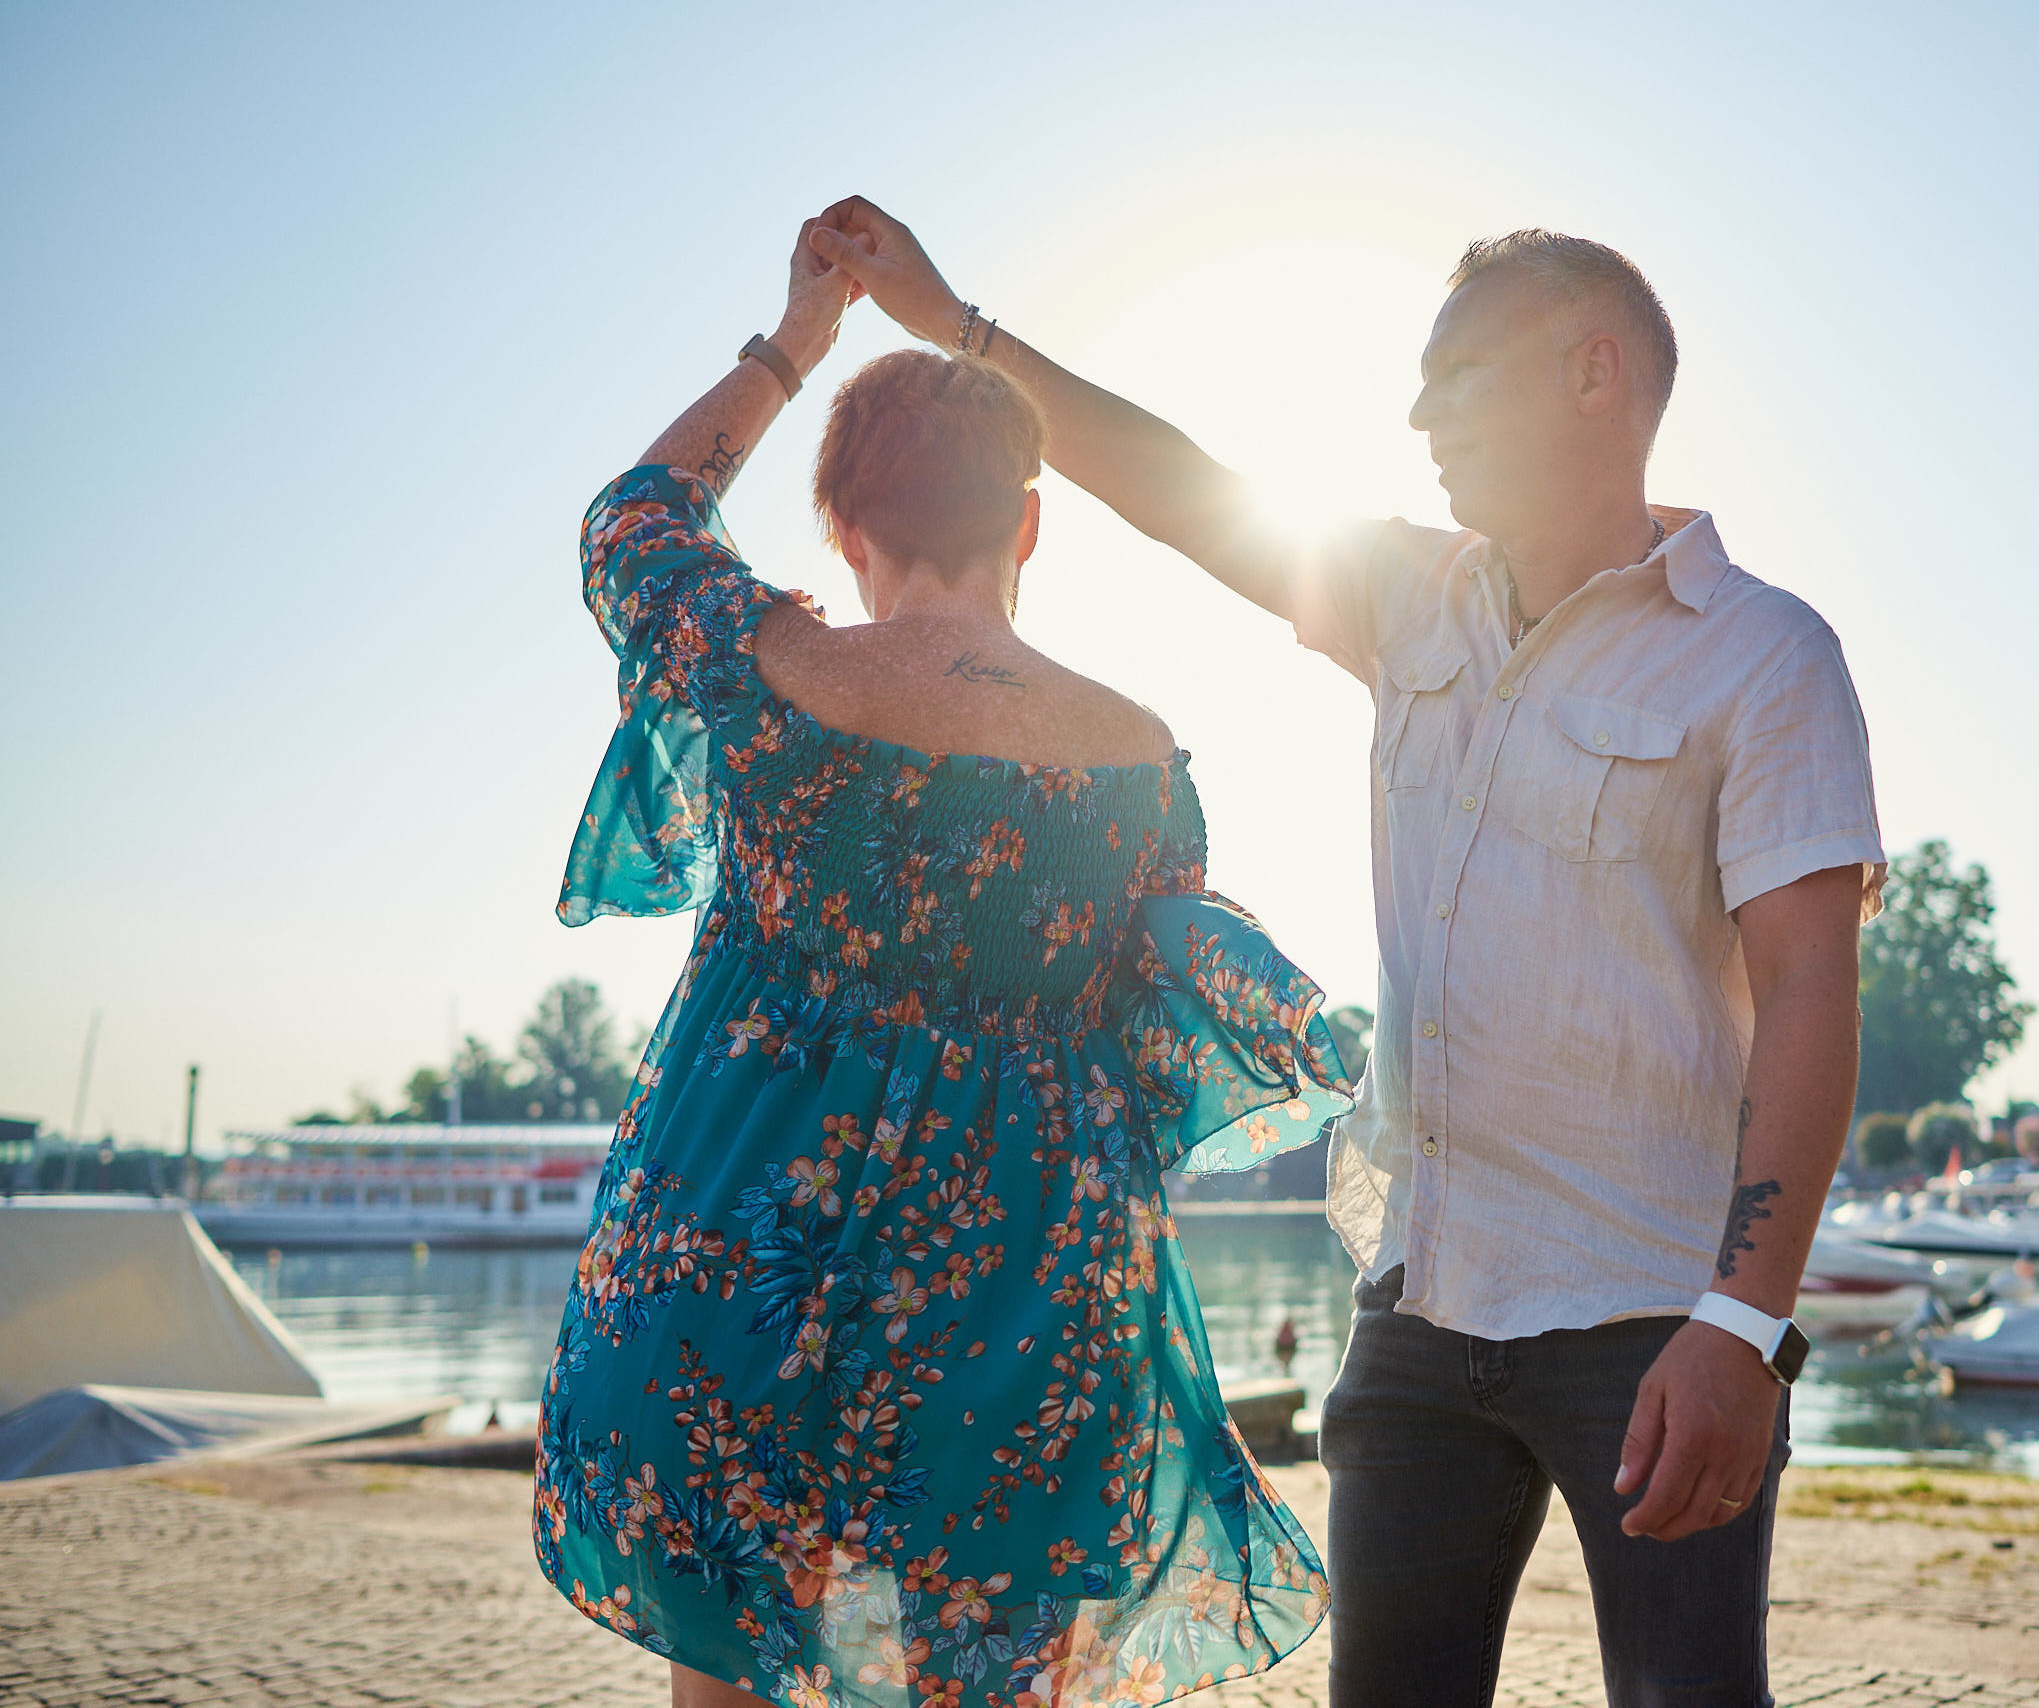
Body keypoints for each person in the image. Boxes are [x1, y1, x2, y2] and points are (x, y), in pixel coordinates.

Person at [815, 204, 1885, 1708]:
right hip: (1423, 1297)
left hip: (1654, 1311)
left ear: (1593, 374)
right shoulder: (1408, 594)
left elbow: (1810, 993)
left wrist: (1743, 1326)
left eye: (1457, 374)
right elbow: (1188, 492)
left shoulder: (1763, 656)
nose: (1418, 413)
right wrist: (956, 327)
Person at [532, 204, 1352, 1708]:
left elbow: (634, 516)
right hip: (1028, 1294)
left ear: (843, 531)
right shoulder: (1141, 761)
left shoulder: (764, 670)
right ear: (1028, 522)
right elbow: (1156, 1018)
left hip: (738, 1263)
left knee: (726, 1673)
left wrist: (796, 341)